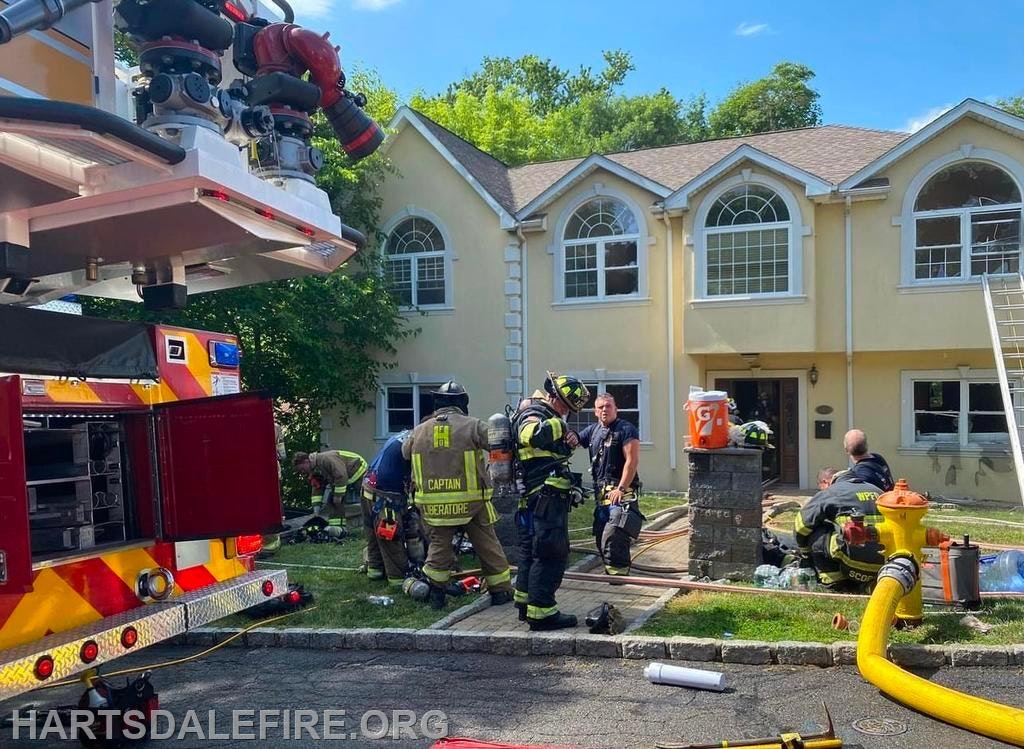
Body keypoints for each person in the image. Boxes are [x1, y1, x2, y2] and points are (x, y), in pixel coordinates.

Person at [401, 381, 513, 610]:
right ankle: (501, 591)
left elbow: (405, 453)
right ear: (463, 403)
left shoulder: (419, 431)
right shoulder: (473, 426)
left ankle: (437, 597)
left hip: (434, 505)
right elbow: (498, 443)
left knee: (439, 548)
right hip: (472, 503)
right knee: (488, 545)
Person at [512, 372, 590, 630]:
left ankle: (526, 605)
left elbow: (550, 450)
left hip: (538, 497)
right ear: (555, 398)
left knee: (531, 552)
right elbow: (532, 436)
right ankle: (542, 612)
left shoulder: (547, 415)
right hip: (544, 497)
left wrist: (567, 441)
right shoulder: (535, 413)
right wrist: (562, 426)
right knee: (551, 552)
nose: (566, 414)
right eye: (566, 408)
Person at [578, 393, 643, 577]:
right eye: (600, 407)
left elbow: (632, 461)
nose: (604, 410)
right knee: (601, 536)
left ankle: (619, 578)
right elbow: (575, 440)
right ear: (595, 412)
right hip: (602, 495)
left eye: (608, 406)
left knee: (615, 533)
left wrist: (621, 489)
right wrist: (568, 435)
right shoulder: (593, 431)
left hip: (622, 492)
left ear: (616, 409)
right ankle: (611, 572)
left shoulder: (626, 429)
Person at [793, 467, 886, 592]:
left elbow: (801, 525)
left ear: (826, 482)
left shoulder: (833, 492)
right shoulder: (878, 491)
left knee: (818, 534)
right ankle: (865, 584)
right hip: (883, 565)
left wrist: (805, 553)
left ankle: (834, 585)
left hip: (854, 563)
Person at [361, 430, 423, 588]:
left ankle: (375, 570)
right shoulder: (418, 444)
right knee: (391, 538)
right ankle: (398, 578)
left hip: (368, 489)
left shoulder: (403, 435)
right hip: (386, 498)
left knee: (374, 536)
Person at [293, 448, 368, 538]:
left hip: (357, 470)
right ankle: (337, 529)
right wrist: (316, 512)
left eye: (302, 469)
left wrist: (338, 496)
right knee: (333, 502)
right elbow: (318, 488)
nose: (302, 472)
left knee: (366, 498)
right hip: (342, 479)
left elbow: (341, 475)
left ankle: (371, 524)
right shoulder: (315, 470)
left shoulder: (325, 459)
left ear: (306, 461)